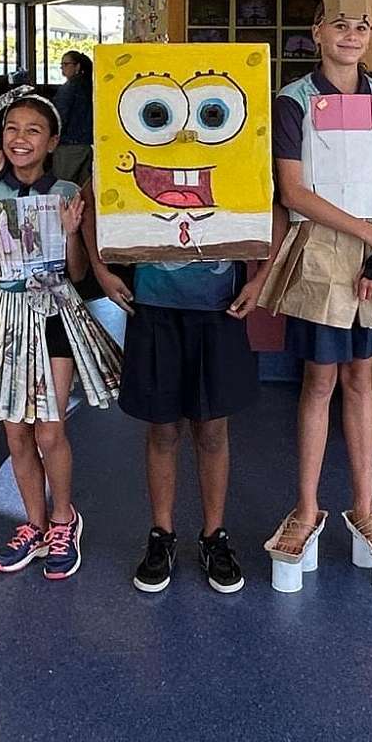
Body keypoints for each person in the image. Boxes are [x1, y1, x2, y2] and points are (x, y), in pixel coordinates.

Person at [258, 0, 372, 576]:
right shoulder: (293, 101)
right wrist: (367, 233)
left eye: (361, 26)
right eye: (340, 25)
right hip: (323, 252)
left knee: (362, 378)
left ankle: (365, 505)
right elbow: (293, 190)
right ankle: (306, 507)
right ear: (318, 32)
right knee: (319, 380)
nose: (351, 36)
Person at [0, 88, 120, 581]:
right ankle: (34, 522)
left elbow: (77, 272)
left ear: (52, 141)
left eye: (33, 130)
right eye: (12, 129)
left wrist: (71, 231)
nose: (20, 138)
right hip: (3, 316)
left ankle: (64, 519)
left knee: (49, 428)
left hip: (54, 315)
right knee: (16, 432)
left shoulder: (65, 193)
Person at [90, 225, 269, 597]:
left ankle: (214, 536)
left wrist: (261, 277)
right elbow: (95, 202)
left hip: (219, 305)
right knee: (163, 428)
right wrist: (101, 269)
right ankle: (162, 534)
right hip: (153, 304)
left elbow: (275, 207)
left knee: (213, 429)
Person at [51, 50, 94, 185]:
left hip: (68, 145)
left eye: (66, 64)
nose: (62, 68)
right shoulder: (93, 85)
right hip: (88, 144)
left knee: (62, 186)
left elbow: (59, 117)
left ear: (78, 66)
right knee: (84, 187)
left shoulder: (69, 88)